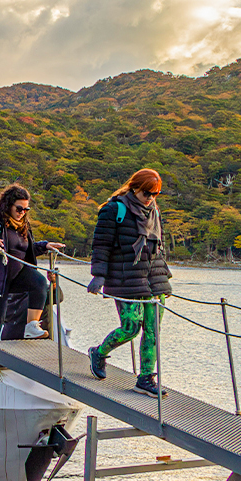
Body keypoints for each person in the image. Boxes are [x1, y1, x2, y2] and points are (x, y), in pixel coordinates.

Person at [85, 168, 173, 398]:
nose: (151, 198)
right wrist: (99, 275)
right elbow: (101, 245)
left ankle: (145, 378)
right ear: (134, 187)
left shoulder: (154, 210)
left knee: (153, 330)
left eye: (155, 193)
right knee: (130, 328)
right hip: (125, 278)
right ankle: (99, 352)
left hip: (154, 278)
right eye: (147, 193)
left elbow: (158, 245)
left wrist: (164, 276)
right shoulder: (114, 209)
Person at [0, 185, 66, 341]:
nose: (22, 213)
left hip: (16, 275)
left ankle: (31, 326)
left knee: (39, 282)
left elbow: (25, 251)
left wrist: (45, 245)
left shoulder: (23, 226)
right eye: (19, 209)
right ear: (8, 205)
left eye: (26, 210)